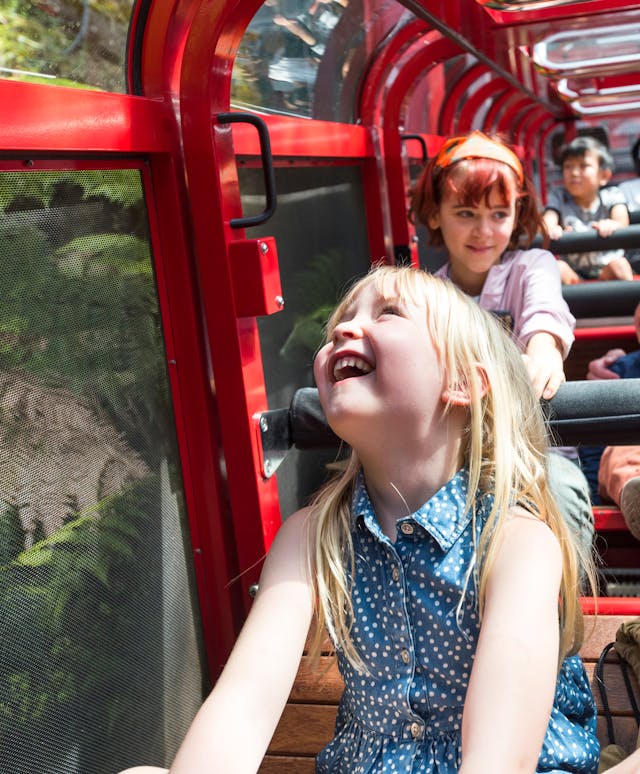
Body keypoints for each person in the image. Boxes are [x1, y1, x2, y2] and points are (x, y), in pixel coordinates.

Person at [118, 265, 640, 773]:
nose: (345, 327)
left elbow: (500, 759)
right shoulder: (310, 535)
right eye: (342, 321)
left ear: (462, 381)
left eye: (388, 314)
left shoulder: (515, 540)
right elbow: (242, 706)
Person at [410, 130, 594, 557]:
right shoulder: (422, 296)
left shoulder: (530, 265)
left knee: (559, 501)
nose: (484, 231)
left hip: (536, 449)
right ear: (435, 214)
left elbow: (544, 313)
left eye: (498, 214)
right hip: (453, 456)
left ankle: (562, 613)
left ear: (517, 214)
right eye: (466, 212)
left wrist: (544, 349)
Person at [583, 301, 640, 541]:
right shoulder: (622, 369)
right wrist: (593, 494)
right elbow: (595, 434)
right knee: (621, 448)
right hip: (629, 461)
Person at [542, 135, 632, 284]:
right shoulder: (559, 197)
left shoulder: (612, 195)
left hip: (607, 271)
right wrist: (552, 228)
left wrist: (613, 225)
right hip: (574, 274)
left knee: (620, 266)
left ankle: (626, 305)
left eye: (583, 166)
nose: (574, 173)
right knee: (556, 268)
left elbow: (622, 220)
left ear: (604, 175)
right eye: (568, 166)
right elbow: (548, 221)